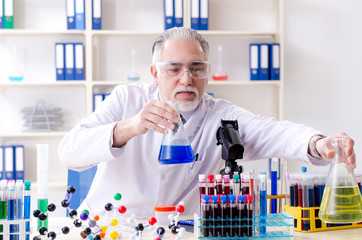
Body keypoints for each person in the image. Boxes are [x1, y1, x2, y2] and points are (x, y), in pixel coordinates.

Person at [58, 27, 356, 216]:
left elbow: (274, 131)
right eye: (174, 69)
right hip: (107, 228)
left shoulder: (220, 115)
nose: (186, 79)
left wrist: (319, 144)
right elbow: (69, 153)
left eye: (196, 68)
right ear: (154, 73)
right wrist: (130, 127)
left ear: (207, 72)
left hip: (178, 233)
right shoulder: (126, 100)